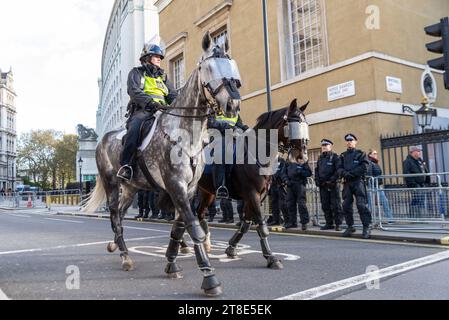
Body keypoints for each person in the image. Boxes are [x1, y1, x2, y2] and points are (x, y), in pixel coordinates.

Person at [117, 42, 178, 181]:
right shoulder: (136, 72)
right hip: (144, 110)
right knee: (134, 130)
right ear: (146, 57)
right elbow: (134, 91)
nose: (159, 59)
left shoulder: (163, 77)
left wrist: (179, 105)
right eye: (156, 56)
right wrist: (150, 102)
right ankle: (126, 165)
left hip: (163, 110)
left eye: (160, 57)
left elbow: (172, 95)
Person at [338, 134, 373, 239]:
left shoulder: (361, 154)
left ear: (355, 141)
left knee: (361, 205)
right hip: (347, 183)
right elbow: (339, 168)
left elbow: (364, 167)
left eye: (351, 140)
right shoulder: (343, 155)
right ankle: (350, 226)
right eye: (347, 140)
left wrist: (351, 173)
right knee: (346, 205)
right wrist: (345, 174)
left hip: (358, 182)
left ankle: (367, 226)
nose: (349, 142)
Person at [208, 114, 249, 199]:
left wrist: (246, 129)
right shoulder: (215, 109)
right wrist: (229, 127)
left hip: (233, 137)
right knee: (221, 151)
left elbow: (238, 124)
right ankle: (221, 187)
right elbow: (211, 122)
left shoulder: (235, 112)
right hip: (217, 137)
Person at [315, 139, 343, 231]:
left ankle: (338, 224)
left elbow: (338, 170)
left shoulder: (335, 157)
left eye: (326, 145)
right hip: (323, 186)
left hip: (333, 185)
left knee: (336, 205)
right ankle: (329, 223)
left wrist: (332, 180)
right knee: (325, 205)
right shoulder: (320, 158)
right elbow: (317, 170)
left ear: (330, 147)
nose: (323, 147)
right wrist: (317, 180)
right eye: (322, 145)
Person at [282, 156, 312, 230]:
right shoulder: (288, 163)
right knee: (290, 204)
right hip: (290, 185)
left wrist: (301, 171)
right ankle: (293, 222)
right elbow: (283, 173)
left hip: (300, 185)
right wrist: (286, 181)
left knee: (301, 204)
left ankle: (304, 223)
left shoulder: (303, 162)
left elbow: (308, 173)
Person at [403, 146, 430, 217]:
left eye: (419, 151)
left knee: (421, 200)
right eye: (418, 151)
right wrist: (413, 184)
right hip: (415, 184)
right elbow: (406, 173)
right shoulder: (407, 161)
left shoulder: (420, 161)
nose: (419, 152)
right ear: (413, 152)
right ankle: (413, 216)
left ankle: (420, 217)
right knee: (417, 199)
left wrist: (427, 181)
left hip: (422, 184)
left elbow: (424, 171)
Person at [367, 149, 393, 223]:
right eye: (374, 153)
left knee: (385, 201)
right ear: (370, 155)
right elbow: (369, 175)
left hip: (377, 186)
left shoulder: (375, 163)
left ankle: (390, 219)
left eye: (376, 153)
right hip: (372, 186)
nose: (376, 154)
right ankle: (369, 220)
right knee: (370, 204)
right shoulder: (369, 163)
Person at [268, 157, 288, 226]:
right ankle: (276, 220)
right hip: (273, 184)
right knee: (274, 204)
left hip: (280, 184)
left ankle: (287, 220)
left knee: (283, 204)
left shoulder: (281, 160)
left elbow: (283, 171)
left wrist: (282, 180)